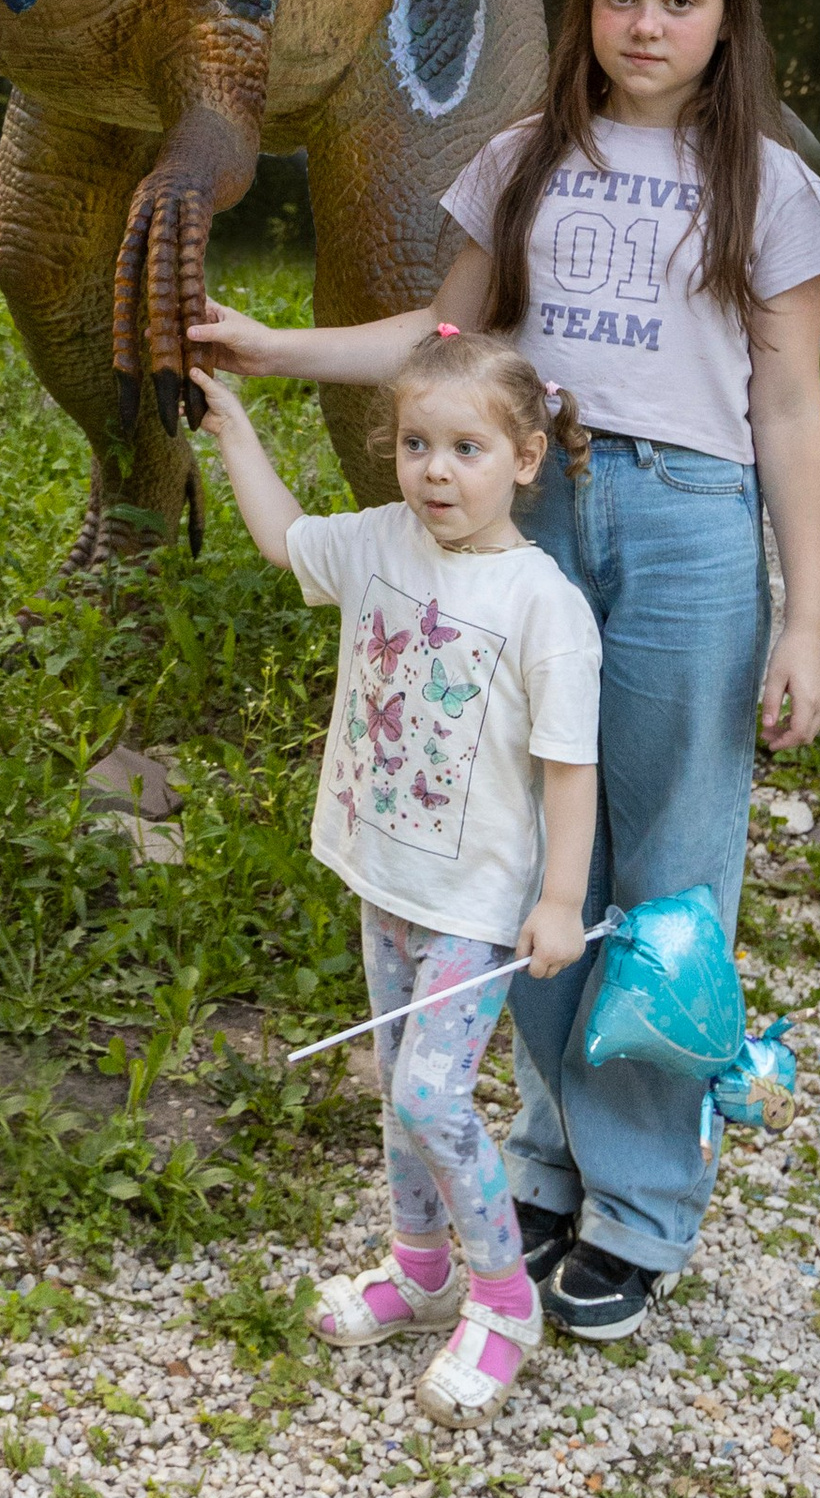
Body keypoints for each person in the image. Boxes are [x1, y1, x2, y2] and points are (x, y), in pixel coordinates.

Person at [192, 0, 820, 1344]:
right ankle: (548, 1165)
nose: (647, 24)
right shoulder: (525, 160)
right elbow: (445, 346)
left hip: (689, 529)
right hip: (536, 512)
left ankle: (641, 1209)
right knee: (528, 870)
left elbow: (793, 410)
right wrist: (264, 345)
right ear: (588, 10)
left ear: (727, 15)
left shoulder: (772, 189)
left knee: (663, 879)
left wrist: (805, 618)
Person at [200, 331, 599, 1424]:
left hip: (476, 906)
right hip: (384, 881)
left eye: (466, 448)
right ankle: (418, 1268)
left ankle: (502, 1297)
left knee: (433, 1093)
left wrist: (558, 899)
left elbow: (572, 770)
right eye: (417, 443)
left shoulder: (541, 603)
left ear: (523, 460)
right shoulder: (380, 545)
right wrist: (235, 425)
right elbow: (285, 542)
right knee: (395, 1091)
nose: (434, 470)